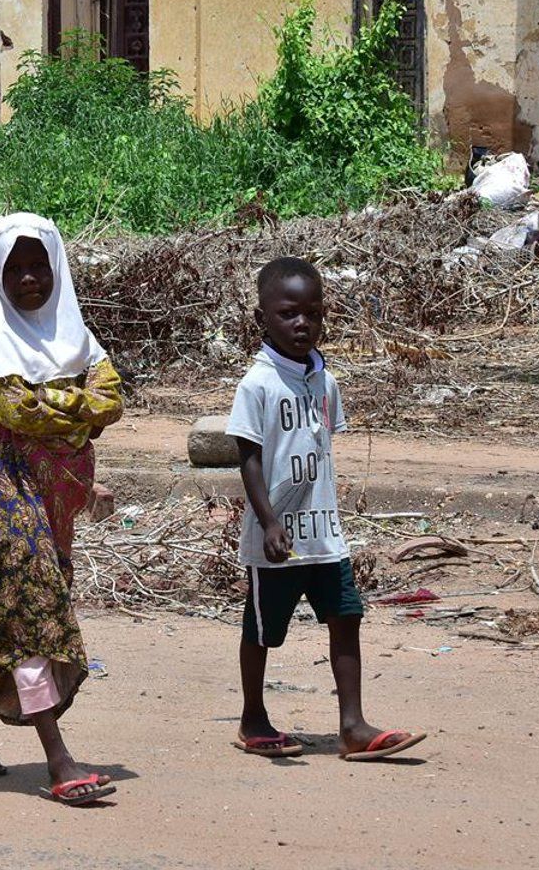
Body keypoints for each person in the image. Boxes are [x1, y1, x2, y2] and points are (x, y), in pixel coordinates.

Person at [0, 213, 123, 806]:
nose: (27, 279)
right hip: (12, 500)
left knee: (0, 616)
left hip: (58, 503)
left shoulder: (76, 335)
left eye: (37, 266)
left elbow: (111, 400)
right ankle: (58, 758)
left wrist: (58, 403)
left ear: (56, 268)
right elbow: (19, 410)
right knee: (34, 618)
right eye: (13, 269)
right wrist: (77, 403)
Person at [229, 257, 426, 763]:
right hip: (276, 539)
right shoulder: (257, 385)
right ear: (262, 319)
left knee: (346, 617)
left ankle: (353, 726)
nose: (302, 324)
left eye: (313, 314)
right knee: (262, 630)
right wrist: (269, 521)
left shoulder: (324, 381)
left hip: (324, 534)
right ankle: (253, 717)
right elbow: (249, 460)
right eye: (288, 314)